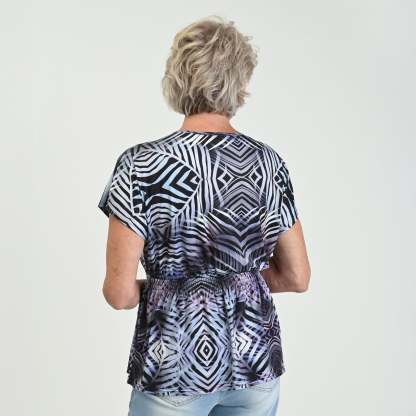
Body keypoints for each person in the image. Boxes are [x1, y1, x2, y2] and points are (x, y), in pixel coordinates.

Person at [98, 15, 311, 416]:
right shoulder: (269, 164)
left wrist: (170, 286)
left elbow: (119, 293)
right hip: (255, 363)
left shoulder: (140, 165)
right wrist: (233, 281)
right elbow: (297, 277)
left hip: (174, 365)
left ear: (177, 77)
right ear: (240, 82)